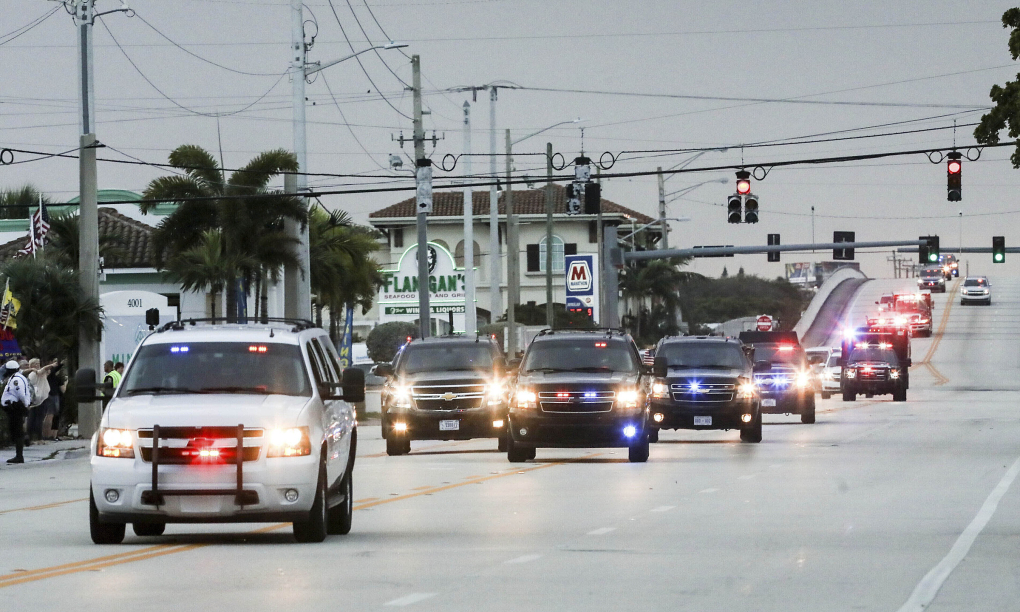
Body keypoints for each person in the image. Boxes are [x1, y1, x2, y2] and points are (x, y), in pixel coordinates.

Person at [2, 360, 32, 463]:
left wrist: (24, 405)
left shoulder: (16, 380)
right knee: (15, 430)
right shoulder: (15, 378)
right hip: (14, 408)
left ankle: (19, 456)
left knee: (17, 431)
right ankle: (25, 438)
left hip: (16, 408)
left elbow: (21, 394)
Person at [25, 358, 57, 441]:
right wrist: (52, 365)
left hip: (38, 398)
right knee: (38, 418)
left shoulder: (35, 373)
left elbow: (46, 372)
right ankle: (38, 438)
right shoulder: (35, 373)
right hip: (40, 398)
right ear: (31, 365)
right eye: (35, 363)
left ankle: (30, 437)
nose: (37, 364)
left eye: (38, 363)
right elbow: (43, 370)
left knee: (32, 417)